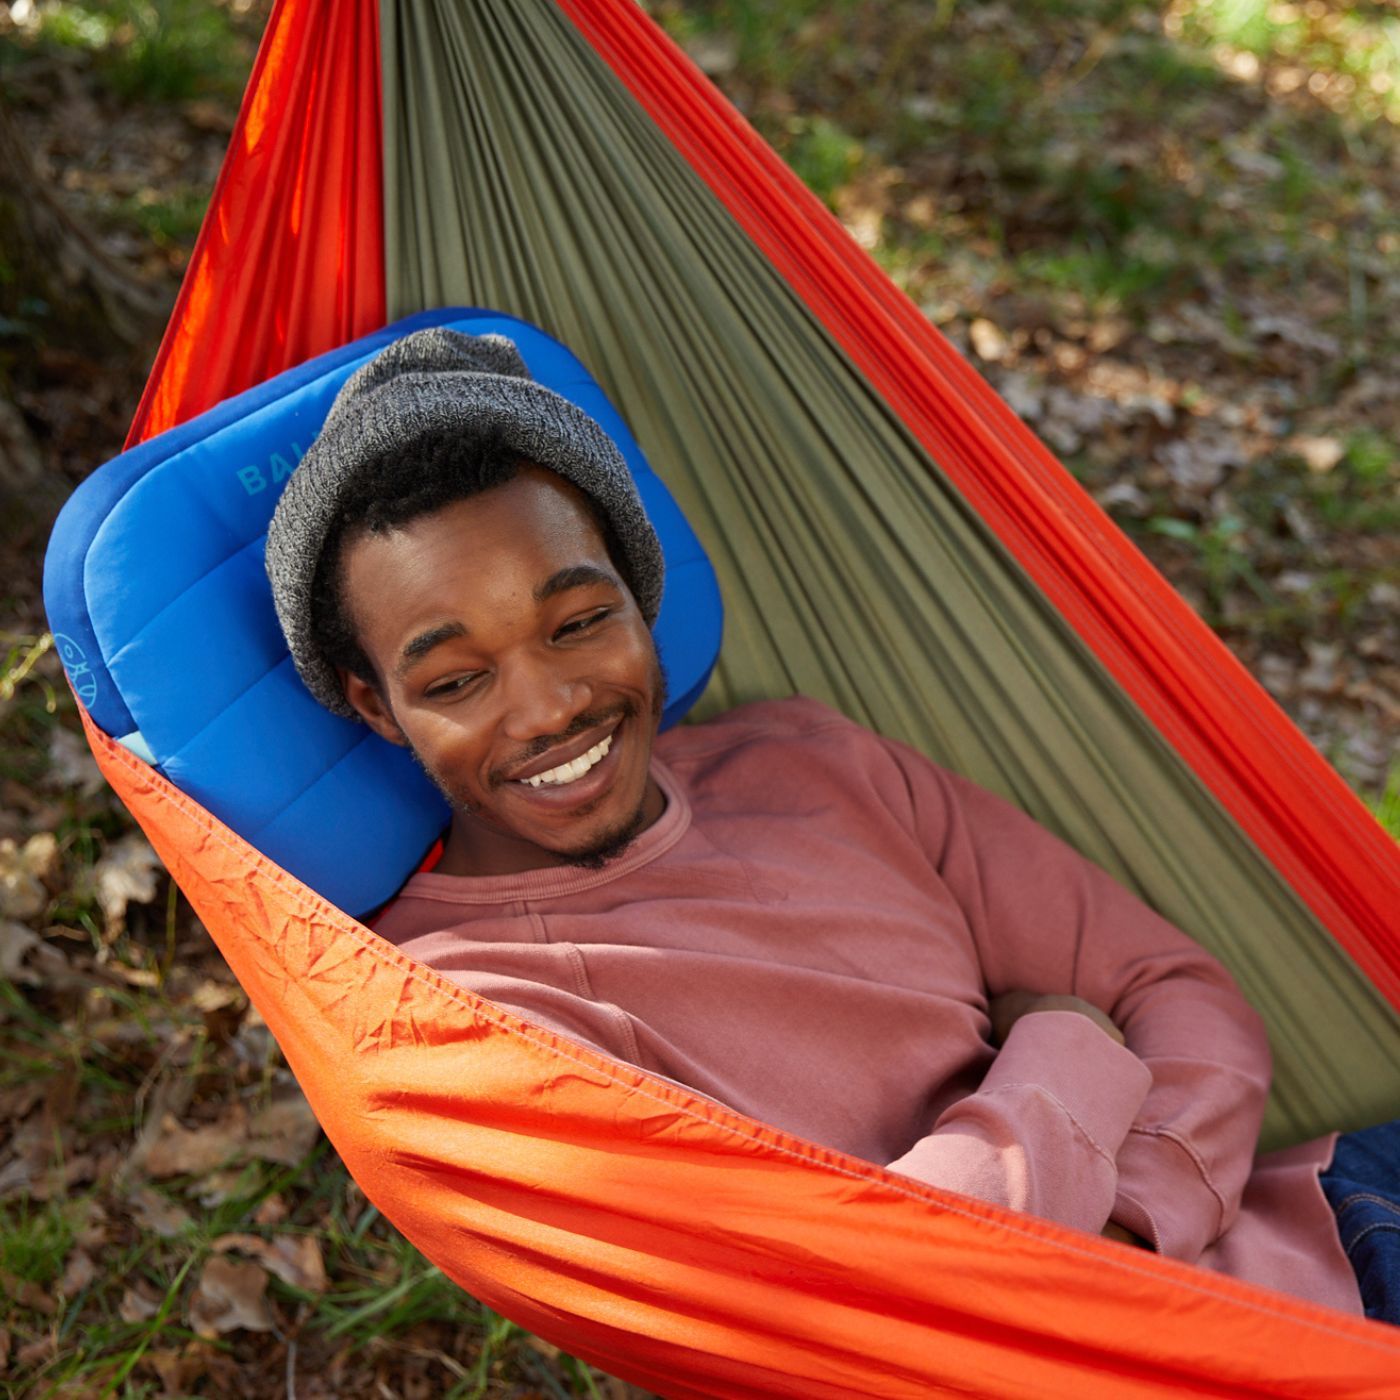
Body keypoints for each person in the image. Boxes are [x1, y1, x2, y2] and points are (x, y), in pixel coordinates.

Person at [266, 327, 1396, 1325]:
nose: (550, 704)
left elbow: (1175, 985)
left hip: (1333, 1215)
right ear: (377, 704)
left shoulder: (807, 758)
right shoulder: (473, 1013)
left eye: (579, 620)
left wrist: (1130, 1230)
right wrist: (1068, 1038)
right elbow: (905, 1280)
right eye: (458, 680)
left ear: (637, 590)